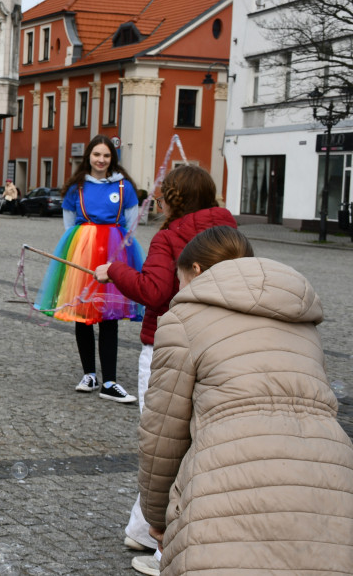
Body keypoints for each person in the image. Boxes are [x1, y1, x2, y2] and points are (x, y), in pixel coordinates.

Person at [138, 226, 353, 575]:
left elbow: (162, 433)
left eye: (180, 282)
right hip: (331, 481)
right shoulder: (301, 319)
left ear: (195, 272)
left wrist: (157, 514)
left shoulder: (184, 319)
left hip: (225, 480)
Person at [93, 165, 236, 575]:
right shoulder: (228, 232)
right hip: (217, 342)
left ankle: (164, 552)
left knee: (165, 446)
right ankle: (141, 529)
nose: (156, 200)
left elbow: (154, 292)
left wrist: (113, 272)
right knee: (181, 440)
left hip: (167, 346)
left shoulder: (170, 236)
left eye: (162, 194)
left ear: (175, 198)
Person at [34, 134, 143, 404]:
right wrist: (84, 245)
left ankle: (110, 381)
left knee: (109, 314)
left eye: (106, 156)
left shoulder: (124, 187)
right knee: (82, 312)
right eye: (97, 155)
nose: (101, 160)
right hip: (82, 251)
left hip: (114, 253)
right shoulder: (77, 188)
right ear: (89, 157)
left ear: (112, 158)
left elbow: (131, 224)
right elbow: (69, 224)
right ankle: (89, 374)